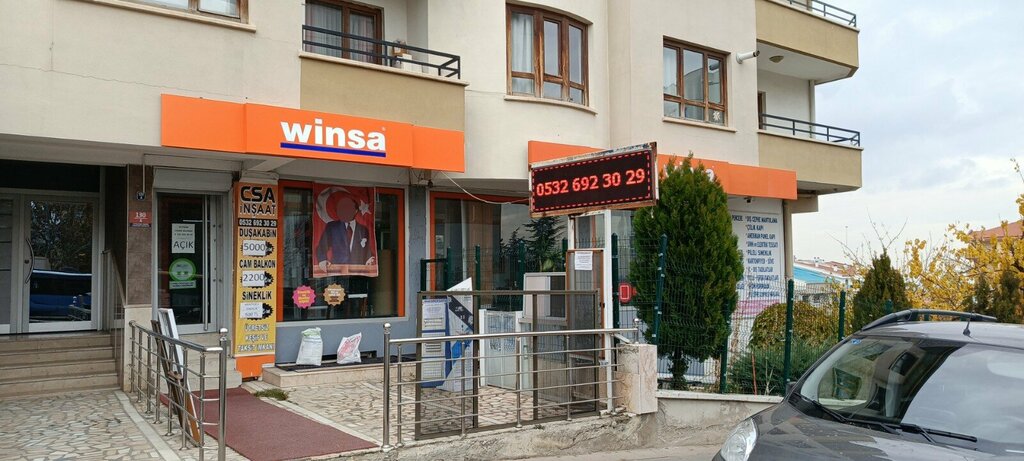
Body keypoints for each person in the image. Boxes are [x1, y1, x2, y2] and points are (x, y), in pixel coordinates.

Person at [316, 195, 375, 272]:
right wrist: (322, 261)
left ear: (355, 211)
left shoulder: (363, 230)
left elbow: (367, 250)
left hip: (358, 272)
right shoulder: (332, 227)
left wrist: (369, 258)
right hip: (337, 271)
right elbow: (322, 246)